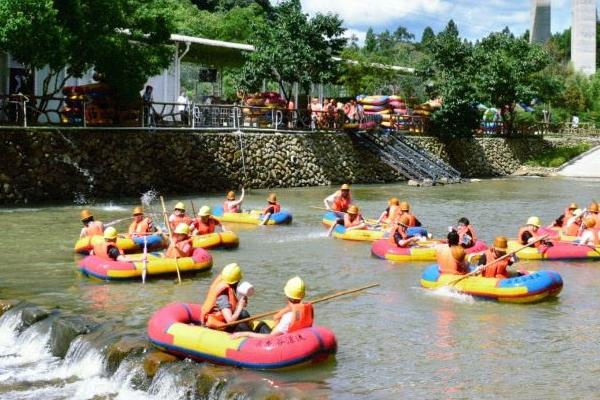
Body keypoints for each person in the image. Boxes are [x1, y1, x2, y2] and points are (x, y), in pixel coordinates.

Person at [232, 276, 313, 339]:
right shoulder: (306, 310)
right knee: (262, 325)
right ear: (303, 295)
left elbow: (270, 337)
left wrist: (245, 334)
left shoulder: (287, 317)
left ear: (287, 295)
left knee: (241, 327)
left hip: (279, 341)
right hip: (293, 336)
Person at [200, 263, 254, 332]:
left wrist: (243, 302)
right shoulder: (222, 297)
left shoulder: (228, 285)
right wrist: (240, 306)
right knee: (242, 326)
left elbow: (234, 303)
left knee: (244, 314)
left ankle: (252, 332)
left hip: (224, 319)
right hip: (218, 325)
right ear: (237, 281)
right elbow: (230, 322)